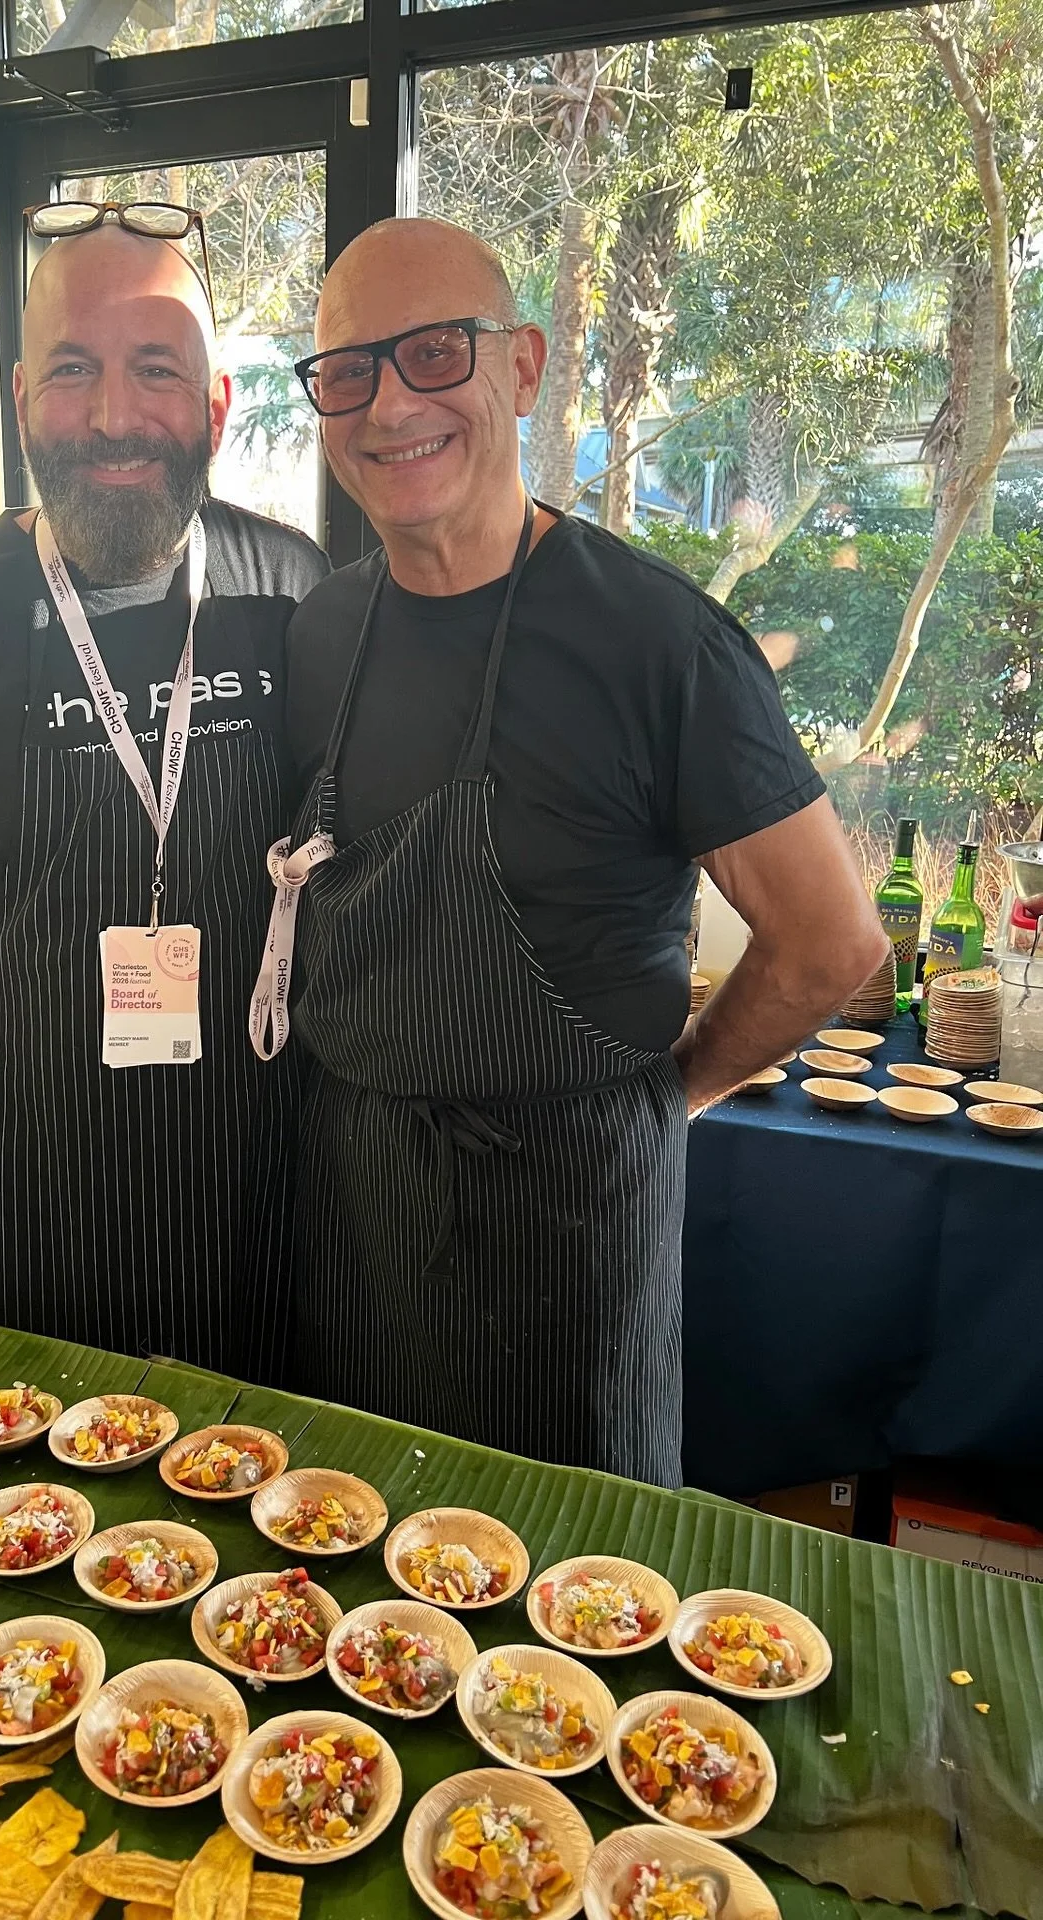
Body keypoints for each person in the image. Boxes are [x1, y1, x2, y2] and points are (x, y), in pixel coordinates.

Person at [257, 218, 887, 1485]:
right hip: (355, 1211)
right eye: (349, 371)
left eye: (436, 352)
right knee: (346, 1555)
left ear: (525, 366)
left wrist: (668, 1095)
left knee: (570, 1579)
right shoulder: (320, 633)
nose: (390, 405)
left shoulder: (658, 643)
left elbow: (832, 941)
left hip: (569, 1231)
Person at [0, 205, 327, 1373]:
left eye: (156, 369)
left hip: (262, 1187)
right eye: (70, 370)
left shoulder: (294, 589)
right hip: (24, 1189)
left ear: (215, 406)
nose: (112, 415)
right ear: (19, 399)